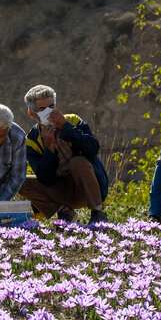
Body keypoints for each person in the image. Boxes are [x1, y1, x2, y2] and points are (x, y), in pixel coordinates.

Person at [18, 85, 109, 224]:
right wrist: (49, 148)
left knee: (78, 162)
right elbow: (45, 179)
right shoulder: (32, 140)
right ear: (32, 114)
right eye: (42, 109)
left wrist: (65, 127)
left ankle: (98, 212)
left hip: (88, 187)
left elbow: (92, 148)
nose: (48, 112)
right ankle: (65, 211)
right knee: (21, 183)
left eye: (51, 106)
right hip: (60, 190)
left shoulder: (73, 121)